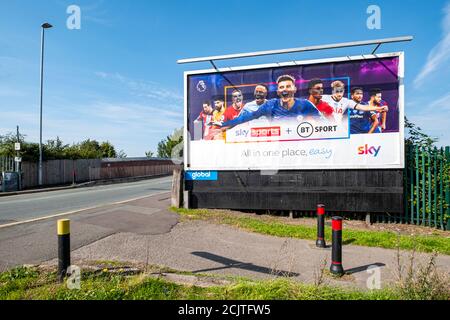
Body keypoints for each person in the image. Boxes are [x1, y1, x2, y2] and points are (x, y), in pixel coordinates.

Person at [217, 75, 321, 129]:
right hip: (276, 149)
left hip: (301, 150)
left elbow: (324, 123)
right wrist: (223, 126)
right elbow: (246, 117)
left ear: (295, 89)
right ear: (278, 91)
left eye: (288, 86)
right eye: (281, 87)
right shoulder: (270, 105)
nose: (285, 89)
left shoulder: (306, 105)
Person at [321, 80, 388, 123]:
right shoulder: (324, 98)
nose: (339, 94)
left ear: (344, 91)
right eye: (337, 91)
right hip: (325, 128)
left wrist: (379, 108)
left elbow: (363, 107)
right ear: (333, 91)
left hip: (337, 129)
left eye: (341, 91)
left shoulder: (346, 101)